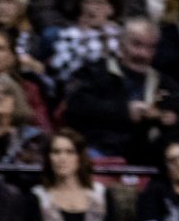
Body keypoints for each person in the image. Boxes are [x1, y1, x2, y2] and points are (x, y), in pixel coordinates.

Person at [62, 16, 165, 160]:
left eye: (150, 47)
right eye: (137, 45)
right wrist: (124, 111)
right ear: (120, 44)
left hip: (146, 157)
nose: (143, 54)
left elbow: (178, 112)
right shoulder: (93, 73)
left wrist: (162, 116)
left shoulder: (162, 80)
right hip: (99, 151)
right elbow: (75, 107)